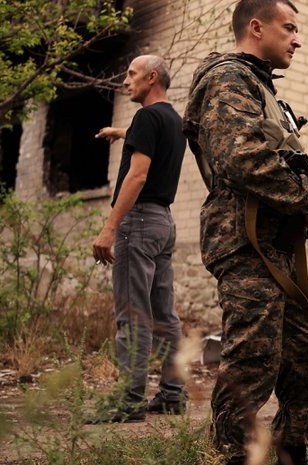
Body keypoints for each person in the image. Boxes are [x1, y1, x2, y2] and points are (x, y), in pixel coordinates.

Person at [183, 1, 308, 463]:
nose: (298, 39)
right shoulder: (227, 79)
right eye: (290, 28)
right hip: (242, 241)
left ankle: (288, 451)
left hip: (274, 244)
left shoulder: (260, 88)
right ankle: (230, 456)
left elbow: (278, 163)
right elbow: (243, 160)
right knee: (252, 362)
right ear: (256, 27)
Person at [89, 55, 187, 423]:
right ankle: (172, 395)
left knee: (133, 314)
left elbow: (137, 175)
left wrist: (110, 227)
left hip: (140, 220)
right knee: (164, 314)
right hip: (164, 222)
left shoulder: (146, 117)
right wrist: (120, 135)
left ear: (152, 76)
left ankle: (129, 401)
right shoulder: (173, 119)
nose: (125, 81)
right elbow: (149, 144)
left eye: (131, 74)